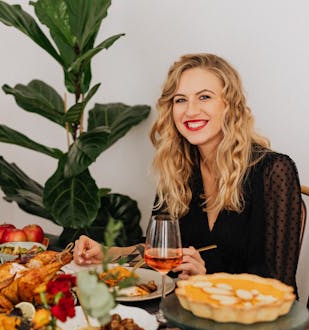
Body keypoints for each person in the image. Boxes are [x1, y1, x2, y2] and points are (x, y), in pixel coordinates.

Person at [74, 53, 302, 289]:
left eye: (204, 97)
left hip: (250, 322)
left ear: (229, 105)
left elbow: (279, 286)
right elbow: (160, 252)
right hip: (186, 311)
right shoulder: (177, 169)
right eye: (180, 100)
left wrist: (207, 282)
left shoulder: (273, 170)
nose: (190, 111)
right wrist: (106, 253)